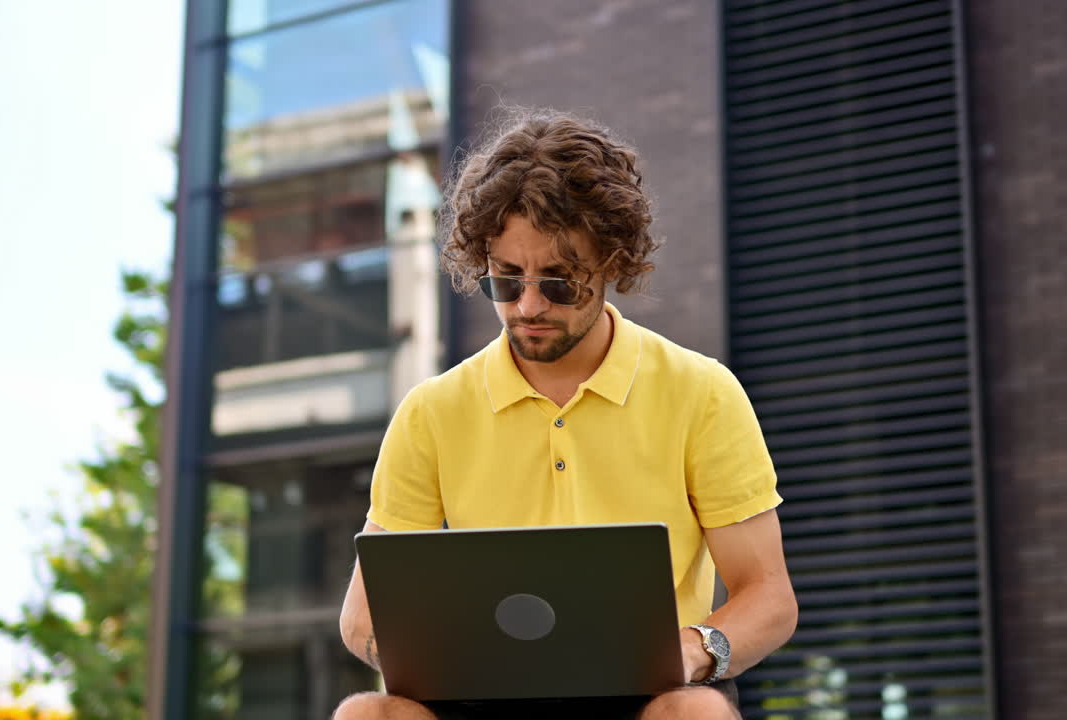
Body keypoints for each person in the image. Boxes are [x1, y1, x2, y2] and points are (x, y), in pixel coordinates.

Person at [334, 109, 797, 720]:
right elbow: (363, 619)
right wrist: (443, 660)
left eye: (559, 281)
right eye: (506, 279)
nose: (528, 305)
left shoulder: (702, 393)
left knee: (696, 714)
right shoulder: (430, 412)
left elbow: (768, 596)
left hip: (652, 696)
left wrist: (689, 651)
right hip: (484, 696)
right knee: (368, 714)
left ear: (612, 262)